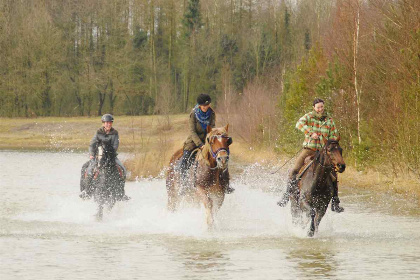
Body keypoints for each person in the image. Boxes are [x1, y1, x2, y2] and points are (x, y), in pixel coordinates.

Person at [277, 98, 344, 212]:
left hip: (323, 152)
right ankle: (286, 195)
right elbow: (299, 124)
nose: (320, 109)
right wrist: (310, 132)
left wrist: (331, 142)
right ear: (314, 108)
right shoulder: (308, 117)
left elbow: (334, 134)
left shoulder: (329, 120)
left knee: (333, 174)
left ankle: (335, 202)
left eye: (322, 107)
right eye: (318, 107)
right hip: (309, 149)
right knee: (294, 170)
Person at [179, 93, 234, 194]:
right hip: (194, 140)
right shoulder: (193, 114)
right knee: (185, 158)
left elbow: (212, 128)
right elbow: (192, 132)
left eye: (207, 105)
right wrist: (200, 144)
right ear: (199, 105)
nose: (206, 107)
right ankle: (184, 184)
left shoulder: (211, 113)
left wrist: (211, 140)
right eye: (204, 106)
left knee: (222, 156)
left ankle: (226, 184)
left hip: (209, 139)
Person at [80, 114, 130, 200]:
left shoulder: (115, 133)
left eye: (110, 123)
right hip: (98, 156)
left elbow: (115, 146)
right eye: (106, 123)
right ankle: (86, 191)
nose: (108, 124)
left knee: (123, 169)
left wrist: (108, 153)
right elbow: (92, 144)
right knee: (87, 169)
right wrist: (92, 154)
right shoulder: (98, 132)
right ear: (103, 123)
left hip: (111, 156)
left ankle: (121, 193)